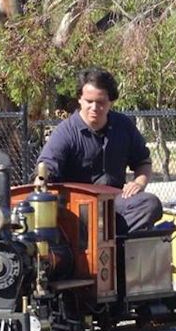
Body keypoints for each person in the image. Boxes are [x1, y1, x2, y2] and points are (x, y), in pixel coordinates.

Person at [36, 68, 162, 234]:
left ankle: (111, 242)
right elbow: (45, 170)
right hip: (78, 208)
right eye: (89, 101)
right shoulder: (65, 132)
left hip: (115, 201)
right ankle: (100, 240)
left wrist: (139, 183)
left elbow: (143, 162)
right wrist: (42, 180)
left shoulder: (123, 126)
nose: (94, 107)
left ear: (111, 102)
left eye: (101, 102)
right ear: (79, 99)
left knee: (150, 204)